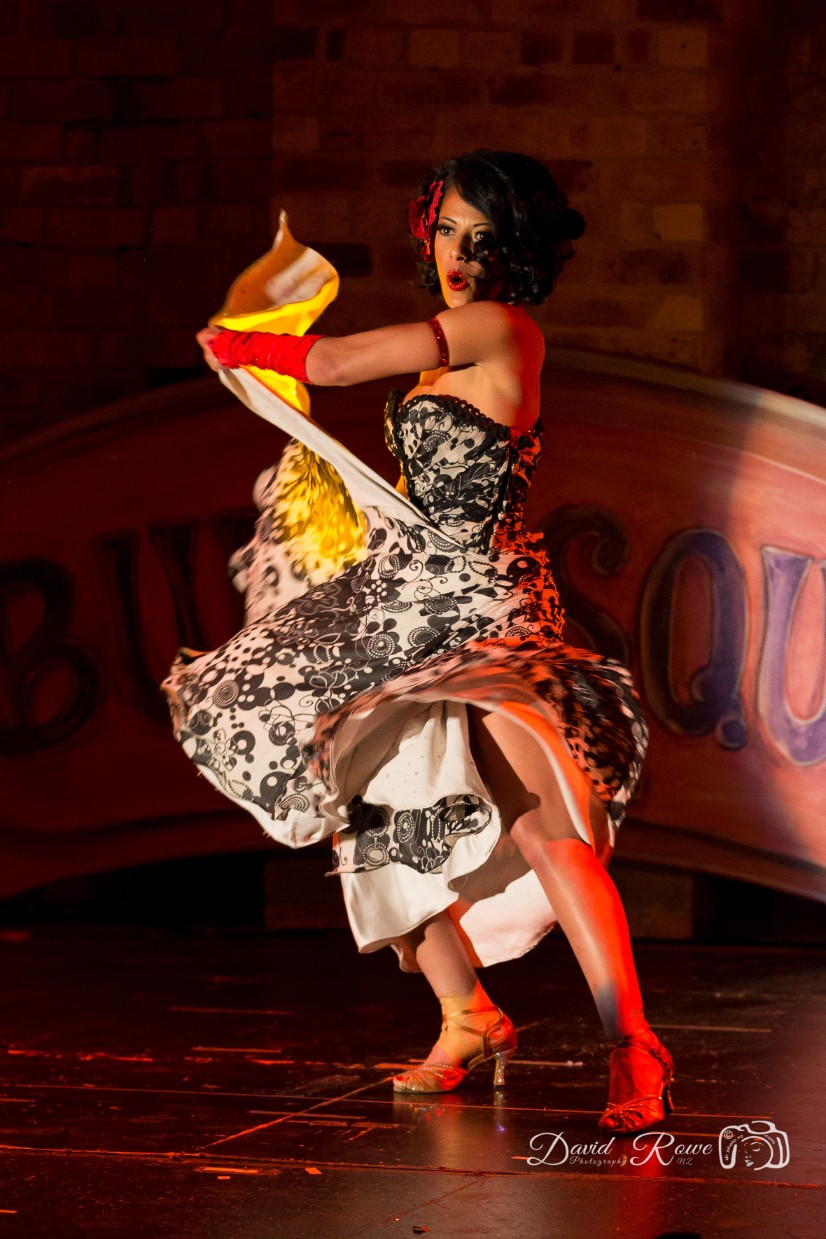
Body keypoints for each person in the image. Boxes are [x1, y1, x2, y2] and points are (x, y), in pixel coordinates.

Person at [165, 149, 673, 1135]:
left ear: (514, 249)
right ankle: (466, 1013)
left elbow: (333, 363)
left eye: (481, 236)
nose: (458, 253)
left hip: (485, 609)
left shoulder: (503, 328)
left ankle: (633, 1044)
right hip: (413, 605)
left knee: (544, 832)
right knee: (368, 816)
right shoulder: (451, 355)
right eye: (446, 230)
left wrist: (243, 342)